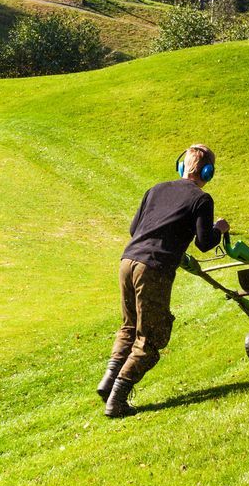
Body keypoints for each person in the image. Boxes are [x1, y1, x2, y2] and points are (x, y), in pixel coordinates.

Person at [97, 144, 229, 418]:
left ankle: (109, 379)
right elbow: (205, 243)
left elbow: (135, 229)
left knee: (129, 326)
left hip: (127, 262)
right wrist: (219, 228)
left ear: (182, 166)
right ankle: (117, 399)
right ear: (208, 171)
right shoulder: (202, 200)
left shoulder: (155, 189)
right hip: (153, 269)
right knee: (152, 337)